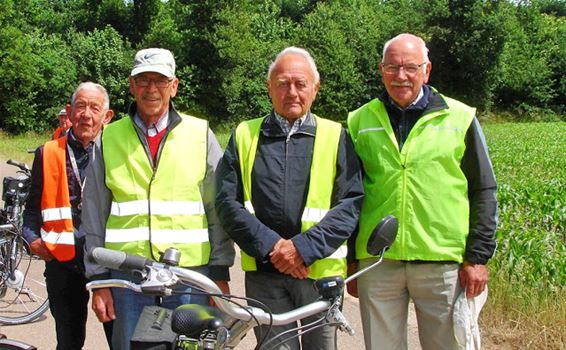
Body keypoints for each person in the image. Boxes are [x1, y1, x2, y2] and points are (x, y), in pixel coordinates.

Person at [346, 33, 498, 350]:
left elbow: (483, 189)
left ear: (426, 71)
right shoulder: (359, 121)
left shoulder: (460, 118)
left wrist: (477, 257)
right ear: (381, 69)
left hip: (444, 264)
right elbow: (349, 195)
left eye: (410, 67)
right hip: (378, 263)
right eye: (392, 67)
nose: (400, 76)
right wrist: (350, 260)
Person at [81, 48, 234, 350]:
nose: (152, 88)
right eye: (144, 80)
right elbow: (93, 214)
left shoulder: (200, 134)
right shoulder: (108, 138)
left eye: (160, 80)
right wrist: (99, 282)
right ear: (132, 85)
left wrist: (219, 275)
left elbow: (219, 210)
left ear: (174, 86)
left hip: (190, 278)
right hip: (127, 280)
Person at [215, 47, 364, 350]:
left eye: (300, 83)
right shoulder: (245, 134)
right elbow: (226, 202)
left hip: (317, 274)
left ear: (315, 88)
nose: (292, 92)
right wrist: (274, 248)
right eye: (282, 84)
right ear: (269, 89)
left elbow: (350, 203)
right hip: (265, 276)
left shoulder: (336, 135)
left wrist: (302, 250)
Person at [23, 82, 114, 350]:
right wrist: (32, 239)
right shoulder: (48, 152)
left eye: (95, 108)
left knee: (119, 338)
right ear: (70, 111)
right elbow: (31, 209)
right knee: (68, 341)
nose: (87, 114)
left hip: (107, 259)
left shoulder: (116, 151)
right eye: (81, 106)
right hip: (63, 262)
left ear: (107, 116)